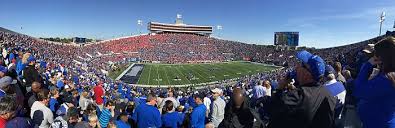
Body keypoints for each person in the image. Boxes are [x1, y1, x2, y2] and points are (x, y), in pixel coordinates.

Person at [264, 50, 336, 128]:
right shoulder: (329, 95)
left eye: (301, 64)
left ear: (307, 73)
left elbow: (269, 110)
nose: (297, 66)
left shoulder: (296, 97)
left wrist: (280, 88)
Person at [354, 37, 395, 128]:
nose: (374, 57)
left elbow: (358, 90)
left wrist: (367, 65)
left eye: (376, 54)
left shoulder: (387, 79)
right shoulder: (388, 76)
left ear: (382, 56)